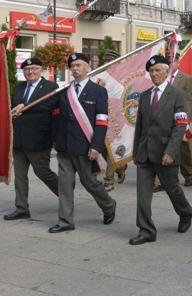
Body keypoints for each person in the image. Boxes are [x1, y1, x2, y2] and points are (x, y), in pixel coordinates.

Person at [12, 53, 117, 233]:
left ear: (87, 67)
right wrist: (24, 107)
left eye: (78, 65)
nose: (75, 68)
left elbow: (102, 121)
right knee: (65, 185)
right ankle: (65, 221)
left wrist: (96, 146)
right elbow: (46, 105)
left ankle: (108, 205)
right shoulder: (64, 91)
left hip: (85, 146)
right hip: (64, 146)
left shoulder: (98, 91)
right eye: (72, 66)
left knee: (89, 183)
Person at [130, 55, 192, 245]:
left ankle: (185, 212)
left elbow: (180, 125)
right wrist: (135, 152)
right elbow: (140, 126)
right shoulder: (144, 95)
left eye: (158, 70)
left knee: (172, 188)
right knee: (142, 193)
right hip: (144, 153)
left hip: (166, 152)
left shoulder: (177, 95)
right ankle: (146, 230)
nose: (154, 74)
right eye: (151, 71)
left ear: (167, 71)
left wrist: (171, 151)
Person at [4, 58, 59, 220]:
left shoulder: (51, 87)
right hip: (19, 139)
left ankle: (65, 194)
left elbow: (52, 111)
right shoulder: (19, 87)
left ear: (41, 70)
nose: (30, 71)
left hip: (39, 139)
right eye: (27, 69)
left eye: (34, 68)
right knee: (20, 176)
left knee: (43, 172)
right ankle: (21, 208)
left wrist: (53, 138)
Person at [169, 53, 192, 187]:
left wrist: (186, 120)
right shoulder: (162, 77)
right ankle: (164, 178)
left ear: (177, 63)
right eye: (168, 62)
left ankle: (188, 174)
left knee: (183, 149)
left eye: (172, 62)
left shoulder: (186, 79)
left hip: (180, 118)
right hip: (165, 118)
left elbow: (189, 100)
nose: (170, 65)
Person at [101, 49, 128, 191]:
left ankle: (109, 180)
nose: (107, 64)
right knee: (103, 149)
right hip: (102, 118)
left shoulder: (123, 77)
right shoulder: (101, 76)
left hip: (118, 119)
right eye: (105, 61)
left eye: (109, 61)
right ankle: (120, 168)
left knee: (112, 147)